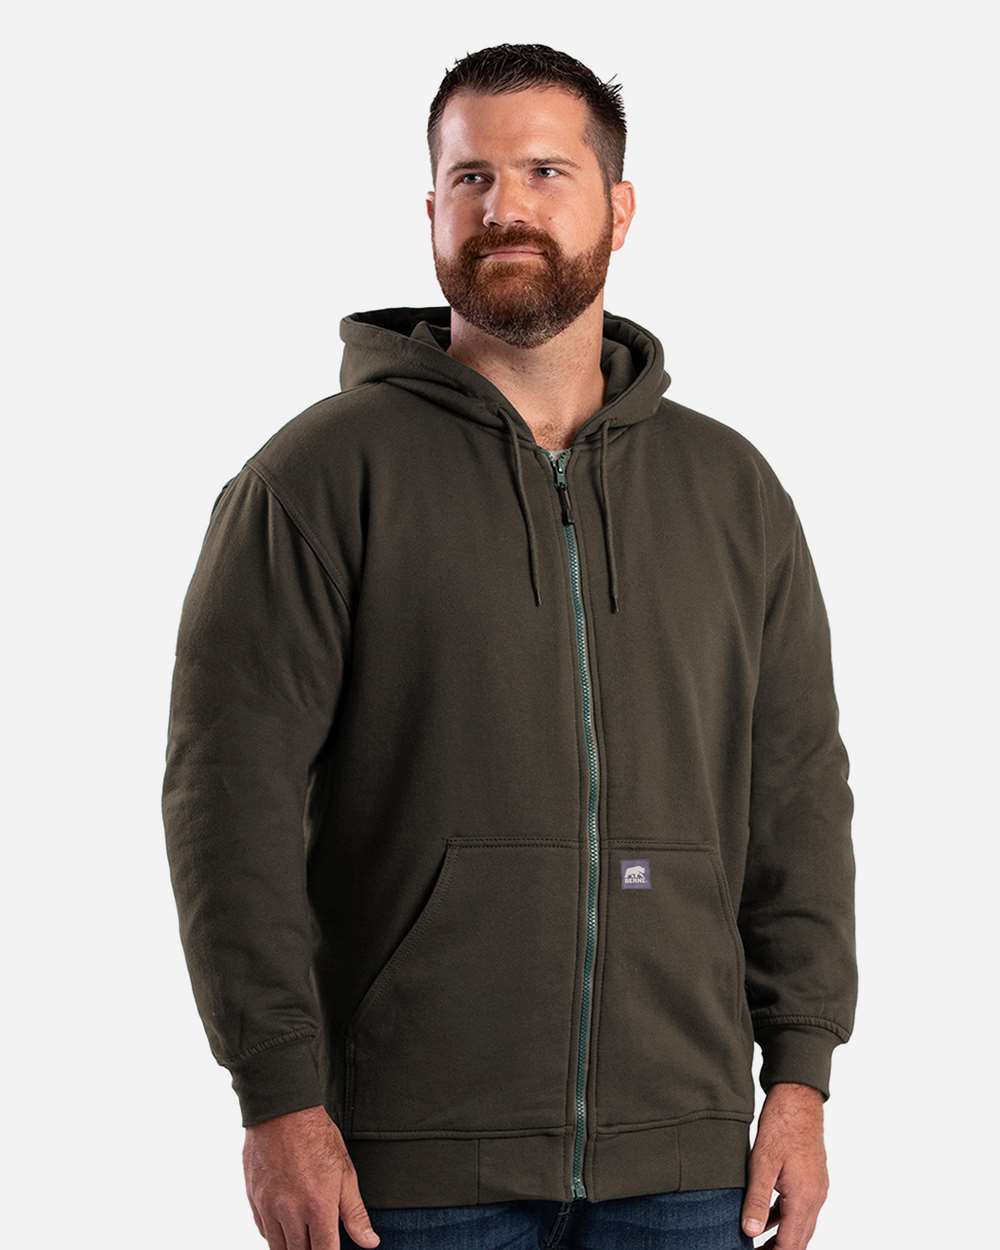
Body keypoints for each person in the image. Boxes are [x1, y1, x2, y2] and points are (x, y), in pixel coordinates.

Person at [162, 42, 857, 1250]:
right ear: (432, 209)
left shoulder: (731, 492)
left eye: (545, 171)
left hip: (687, 1162)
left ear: (619, 209)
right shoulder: (318, 478)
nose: (505, 209)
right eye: (471, 178)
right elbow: (229, 802)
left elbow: (795, 792)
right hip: (406, 1168)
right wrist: (278, 1097)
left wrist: (798, 1075)